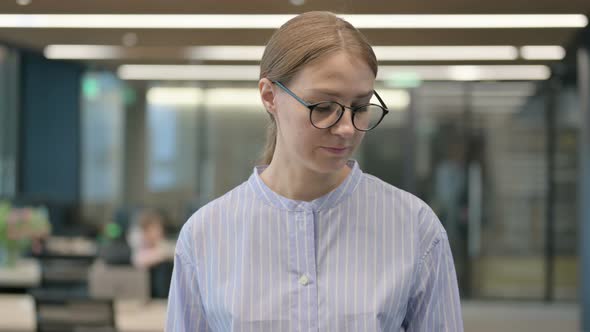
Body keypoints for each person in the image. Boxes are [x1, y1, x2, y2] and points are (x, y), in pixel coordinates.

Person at [166, 11, 463, 331]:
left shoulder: (414, 228)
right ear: (269, 96)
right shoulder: (205, 235)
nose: (347, 128)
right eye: (323, 107)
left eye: (360, 108)